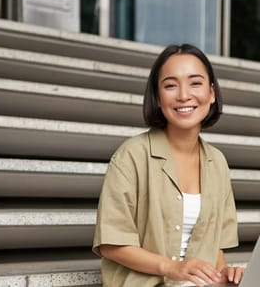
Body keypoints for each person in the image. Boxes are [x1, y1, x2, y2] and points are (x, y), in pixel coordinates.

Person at [93, 44, 244, 286]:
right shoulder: (131, 155)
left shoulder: (218, 163)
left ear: (212, 93)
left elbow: (215, 250)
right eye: (171, 85)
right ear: (157, 96)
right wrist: (172, 268)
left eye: (195, 83)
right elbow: (112, 244)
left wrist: (224, 274)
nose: (184, 95)